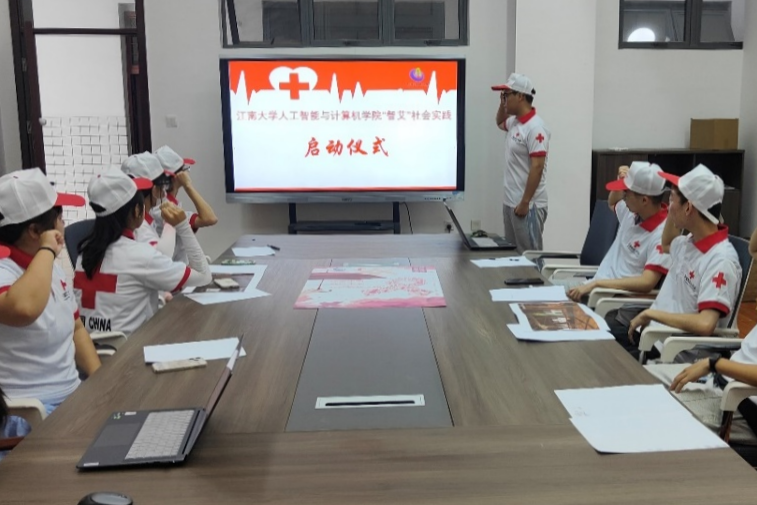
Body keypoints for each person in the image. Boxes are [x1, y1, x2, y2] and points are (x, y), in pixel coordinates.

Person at [0, 168, 101, 440]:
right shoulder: (7, 269)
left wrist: (101, 382)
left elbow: (76, 328)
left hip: (72, 399)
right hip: (28, 415)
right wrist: (47, 250)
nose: (63, 224)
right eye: (59, 217)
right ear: (35, 231)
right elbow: (23, 309)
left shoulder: (48, 266)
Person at [611, 164, 741, 359]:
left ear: (688, 207)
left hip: (676, 353)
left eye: (671, 199)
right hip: (651, 339)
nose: (667, 206)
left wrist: (651, 314)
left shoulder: (720, 260)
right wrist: (675, 214)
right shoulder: (686, 242)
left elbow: (705, 324)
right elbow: (666, 244)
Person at [74, 169, 212, 338]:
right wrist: (182, 226)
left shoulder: (84, 253)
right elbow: (204, 276)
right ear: (137, 210)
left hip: (90, 349)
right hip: (131, 349)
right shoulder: (141, 255)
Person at [561, 162, 671, 300]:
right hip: (593, 288)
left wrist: (597, 284)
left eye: (626, 192)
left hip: (609, 300)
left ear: (644, 200)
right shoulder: (633, 213)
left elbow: (647, 282)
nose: (623, 196)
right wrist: (621, 180)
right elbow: (612, 202)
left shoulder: (662, 235)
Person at [493, 73, 550, 252]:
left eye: (506, 95)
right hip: (511, 202)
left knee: (529, 257)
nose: (504, 99)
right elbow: (499, 122)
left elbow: (537, 167)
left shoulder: (535, 128)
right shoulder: (515, 122)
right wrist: (502, 103)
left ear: (520, 96)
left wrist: (525, 202)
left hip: (528, 206)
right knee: (512, 256)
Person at [153, 145, 218, 264]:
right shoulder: (163, 209)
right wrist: (188, 186)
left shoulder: (167, 203)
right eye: (184, 170)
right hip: (173, 271)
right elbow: (210, 218)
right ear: (175, 177)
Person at [121, 152, 176, 256]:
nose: (164, 192)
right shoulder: (139, 227)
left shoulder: (125, 218)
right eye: (162, 187)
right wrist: (170, 222)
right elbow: (162, 256)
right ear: (155, 190)